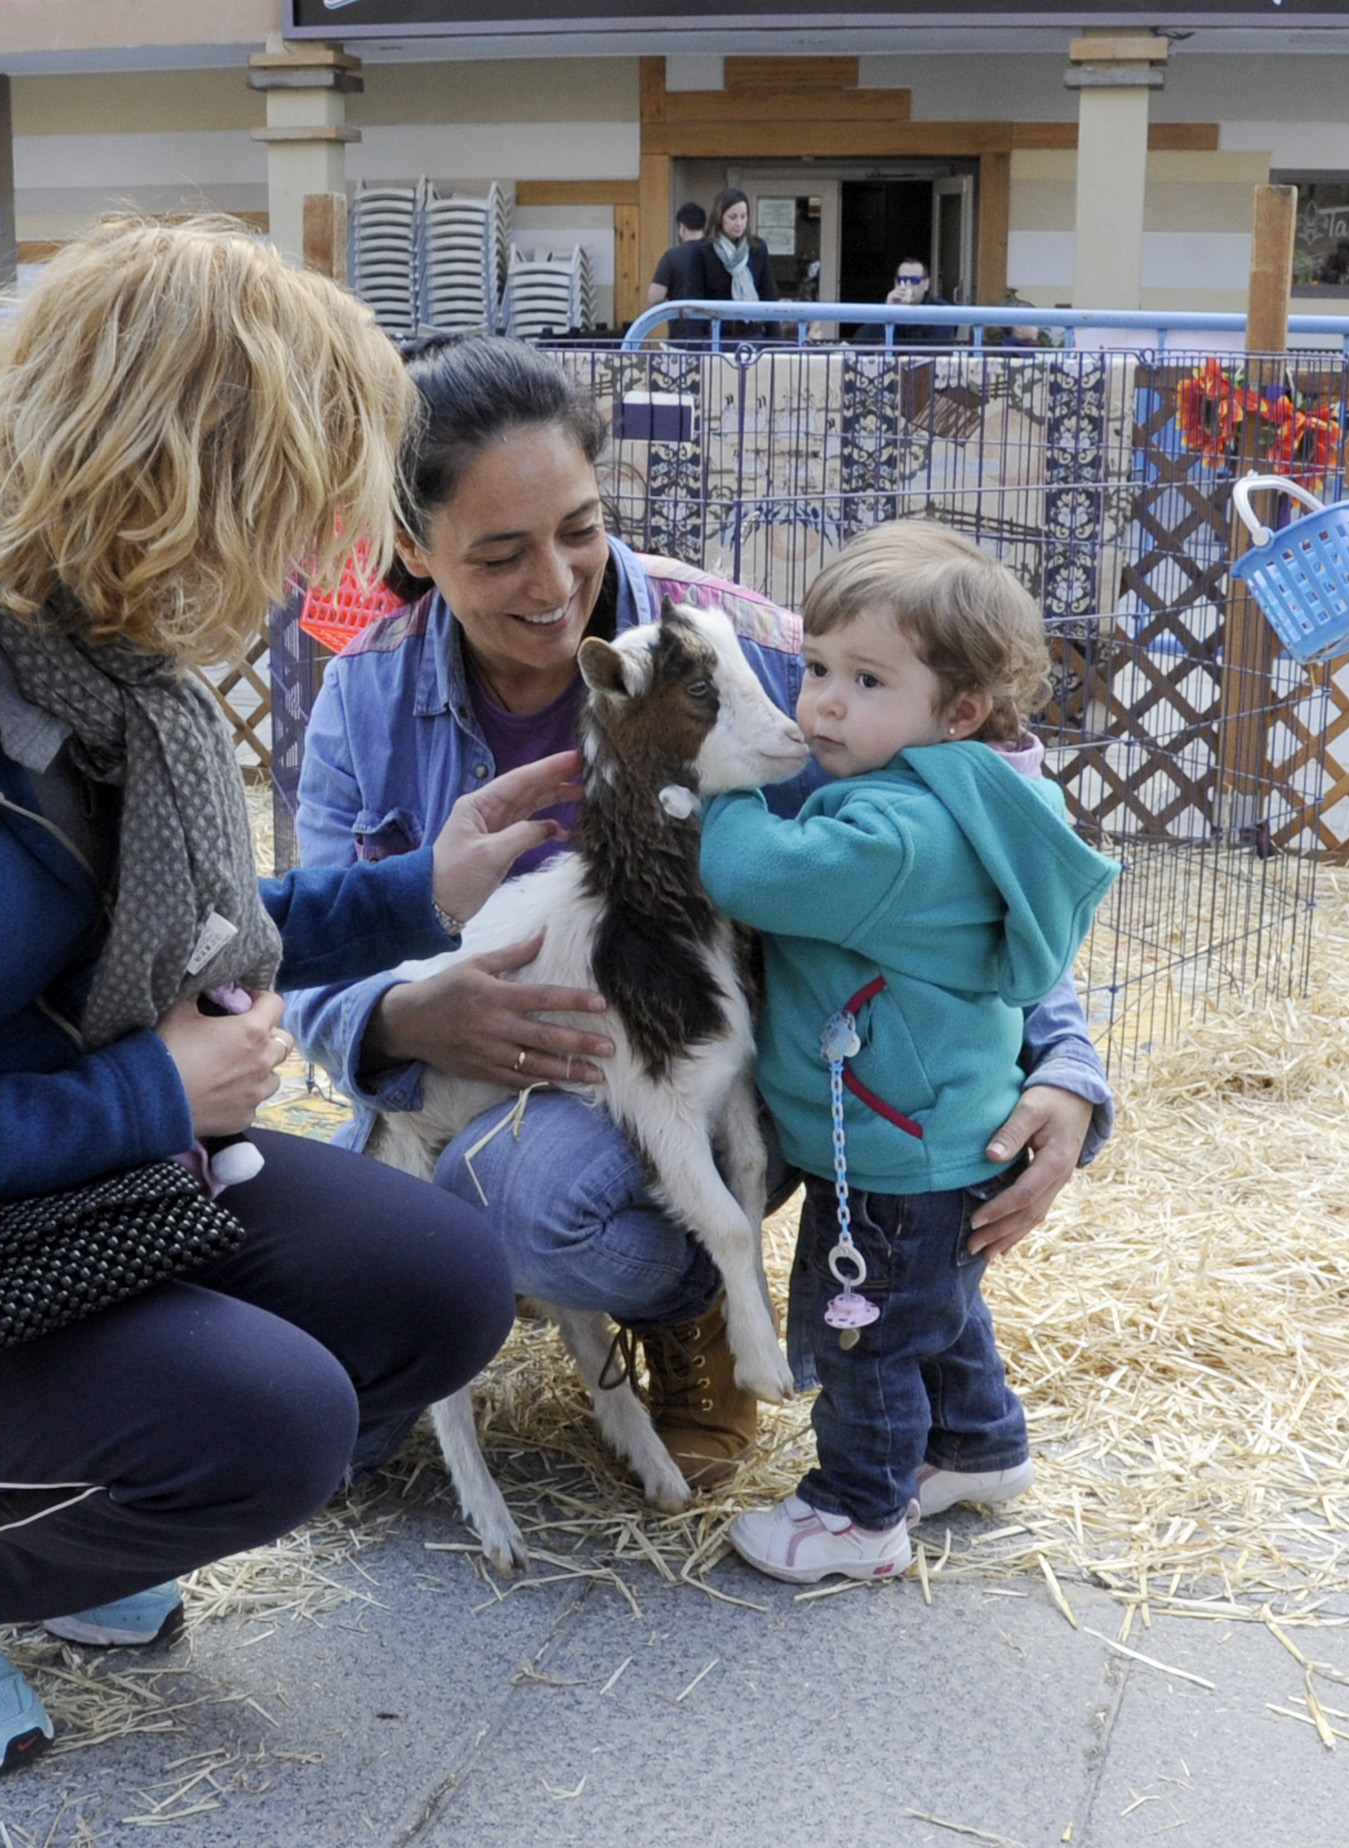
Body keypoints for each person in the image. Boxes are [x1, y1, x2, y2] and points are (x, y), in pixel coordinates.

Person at [0, 219, 555, 1780]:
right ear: (165, 490)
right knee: (261, 1431)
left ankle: (62, 1525)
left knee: (442, 1288)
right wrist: (153, 1096)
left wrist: (423, 895)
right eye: (280, 517)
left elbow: (149, 939)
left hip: (53, 1193)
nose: (299, 571)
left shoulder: (90, 654)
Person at [287, 337, 1115, 1499]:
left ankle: (683, 1308)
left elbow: (958, 852)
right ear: (412, 549)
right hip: (462, 1075)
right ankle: (484, 1299)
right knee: (316, 1398)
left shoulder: (750, 650)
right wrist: (408, 1019)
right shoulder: (364, 693)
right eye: (499, 553)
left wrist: (1067, 1066)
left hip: (689, 1074)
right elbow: (311, 967)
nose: (553, 582)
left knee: (525, 1196)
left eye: (578, 527)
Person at [699, 522, 1117, 1583]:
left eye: (868, 680)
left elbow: (748, 875)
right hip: (942, 1137)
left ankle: (860, 1512)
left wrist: (724, 781)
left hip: (881, 1155)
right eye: (818, 669)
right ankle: (979, 1447)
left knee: (865, 1338)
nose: (824, 702)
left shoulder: (892, 837)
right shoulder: (972, 804)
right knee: (942, 1308)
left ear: (959, 710)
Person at [671, 187, 778, 345]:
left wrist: (775, 342)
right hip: (714, 338)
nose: (739, 223)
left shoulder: (757, 248)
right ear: (720, 217)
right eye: (732, 217)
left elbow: (768, 294)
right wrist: (695, 346)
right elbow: (694, 299)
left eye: (743, 216)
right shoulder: (702, 251)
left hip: (752, 334)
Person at [645, 200, 708, 310]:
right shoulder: (716, 253)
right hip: (714, 323)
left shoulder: (671, 257)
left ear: (682, 228)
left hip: (683, 323)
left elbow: (654, 296)